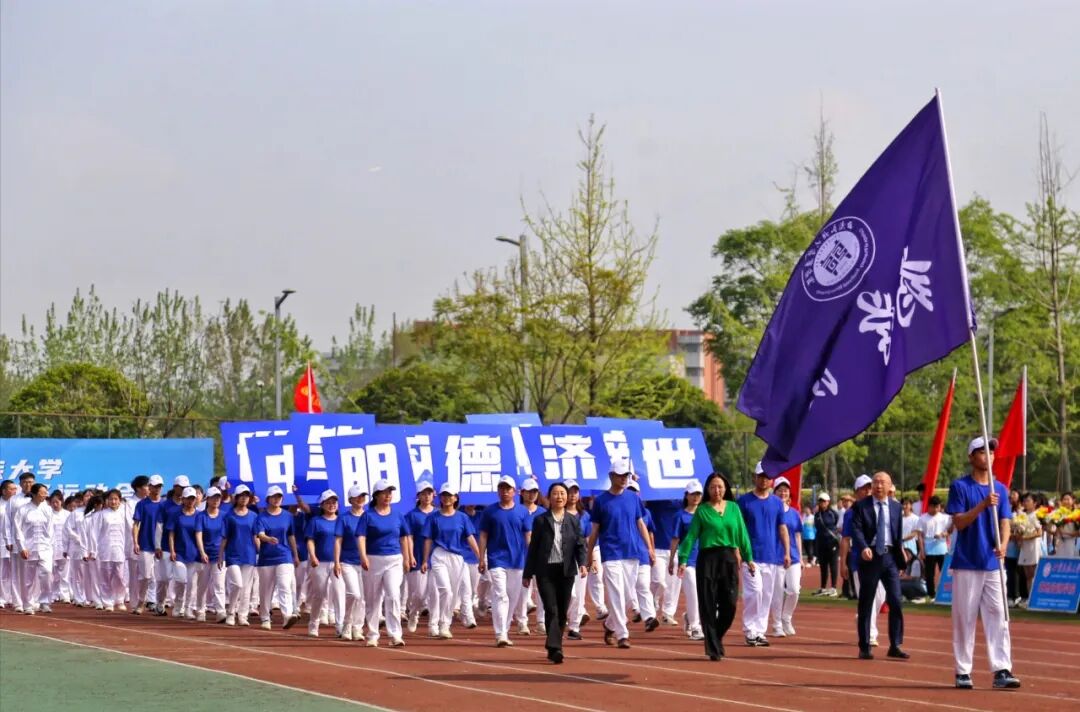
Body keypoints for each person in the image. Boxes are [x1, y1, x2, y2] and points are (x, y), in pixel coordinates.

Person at [946, 436, 1020, 690]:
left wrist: (1004, 544)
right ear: (971, 457)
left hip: (993, 563)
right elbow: (959, 522)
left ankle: (1002, 669)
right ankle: (963, 671)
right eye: (981, 451)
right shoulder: (960, 487)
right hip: (967, 561)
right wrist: (983, 505)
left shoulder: (1000, 488)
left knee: (999, 615)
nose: (988, 455)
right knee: (964, 617)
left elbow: (1005, 521)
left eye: (991, 451)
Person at [677, 473, 753, 661]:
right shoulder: (702, 511)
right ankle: (713, 648)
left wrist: (749, 558)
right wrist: (683, 559)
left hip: (728, 559)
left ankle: (714, 637)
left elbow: (742, 534)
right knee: (708, 603)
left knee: (730, 604)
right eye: (712, 487)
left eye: (719, 486)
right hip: (708, 559)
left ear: (725, 488)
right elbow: (691, 536)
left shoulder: (734, 508)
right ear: (707, 490)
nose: (716, 490)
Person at [587, 458, 655, 649]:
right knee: (616, 593)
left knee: (627, 596)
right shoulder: (601, 501)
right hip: (611, 553)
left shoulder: (633, 498)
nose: (624, 478)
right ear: (611, 476)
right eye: (620, 475)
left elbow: (641, 524)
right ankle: (622, 634)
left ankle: (609, 625)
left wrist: (649, 548)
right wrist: (589, 554)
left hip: (632, 552)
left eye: (626, 475)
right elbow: (595, 531)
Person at [523, 482, 588, 664]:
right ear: (549, 497)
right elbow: (533, 548)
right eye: (555, 493)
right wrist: (527, 573)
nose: (559, 497)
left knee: (562, 611)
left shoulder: (573, 520)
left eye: (562, 493)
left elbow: (580, 545)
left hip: (566, 571)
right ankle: (555, 647)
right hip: (545, 571)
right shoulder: (541, 520)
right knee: (551, 608)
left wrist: (583, 564)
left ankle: (554, 646)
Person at [850, 472, 907, 660]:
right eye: (875, 482)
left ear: (890, 486)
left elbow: (897, 533)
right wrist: (864, 547)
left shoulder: (896, 507)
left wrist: (901, 553)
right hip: (870, 556)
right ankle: (864, 646)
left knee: (896, 600)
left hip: (890, 558)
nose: (878, 486)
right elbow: (856, 530)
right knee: (866, 602)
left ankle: (895, 645)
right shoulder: (861, 506)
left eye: (882, 483)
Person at [736, 462, 790, 647]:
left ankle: (760, 631)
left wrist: (787, 552)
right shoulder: (744, 501)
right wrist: (738, 551)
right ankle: (750, 630)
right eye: (760, 476)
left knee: (767, 595)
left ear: (771, 479)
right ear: (754, 477)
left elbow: (782, 528)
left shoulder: (777, 503)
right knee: (755, 591)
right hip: (750, 556)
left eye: (767, 477)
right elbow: (737, 529)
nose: (764, 480)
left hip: (771, 556)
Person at [478, 475, 533, 647]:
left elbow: (528, 536)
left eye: (508, 488)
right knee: (500, 594)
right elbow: (483, 535)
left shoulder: (523, 512)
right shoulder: (490, 511)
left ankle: (505, 629)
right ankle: (500, 633)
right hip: (496, 559)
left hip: (517, 561)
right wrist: (481, 557)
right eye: (501, 488)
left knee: (512, 597)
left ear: (514, 491)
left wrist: (532, 559)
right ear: (498, 491)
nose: (505, 491)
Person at [421, 483, 481, 639]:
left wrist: (480, 557)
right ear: (440, 498)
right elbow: (428, 539)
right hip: (439, 555)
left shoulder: (462, 517)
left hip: (457, 557)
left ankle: (445, 625)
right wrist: (425, 560)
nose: (447, 498)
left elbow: (470, 538)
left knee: (453, 594)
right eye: (444, 495)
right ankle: (441, 624)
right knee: (445, 590)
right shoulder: (433, 517)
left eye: (450, 495)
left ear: (455, 498)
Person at [359, 478, 410, 648]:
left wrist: (407, 558)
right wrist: (363, 556)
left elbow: (404, 537)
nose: (388, 496)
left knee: (393, 595)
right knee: (373, 598)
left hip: (394, 559)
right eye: (384, 493)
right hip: (373, 559)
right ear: (376, 495)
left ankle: (395, 634)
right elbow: (361, 537)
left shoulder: (398, 515)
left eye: (390, 492)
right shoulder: (368, 516)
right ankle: (373, 634)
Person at [254, 484, 300, 630]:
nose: (276, 499)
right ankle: (265, 618)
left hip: (284, 556)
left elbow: (291, 536)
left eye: (279, 497)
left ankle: (287, 615)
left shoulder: (287, 516)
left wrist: (295, 555)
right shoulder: (261, 517)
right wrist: (268, 539)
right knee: (266, 590)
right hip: (266, 558)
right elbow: (260, 534)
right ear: (268, 499)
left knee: (284, 585)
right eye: (273, 497)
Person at [667, 479, 706, 641]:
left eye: (698, 494)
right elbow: (675, 539)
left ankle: (689, 617)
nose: (696, 497)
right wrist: (671, 560)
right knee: (693, 593)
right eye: (692, 494)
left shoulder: (706, 513)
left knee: (703, 594)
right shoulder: (680, 516)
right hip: (687, 560)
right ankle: (696, 627)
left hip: (704, 559)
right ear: (686, 495)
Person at [308, 489, 345, 638]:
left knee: (339, 592)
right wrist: (313, 556)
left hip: (338, 563)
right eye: (328, 503)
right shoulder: (316, 521)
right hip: (320, 562)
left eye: (334, 502)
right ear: (322, 505)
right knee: (319, 595)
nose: (332, 505)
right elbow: (310, 540)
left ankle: (340, 625)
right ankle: (313, 623)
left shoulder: (342, 520)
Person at [13, 483, 54, 614]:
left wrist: (49, 545)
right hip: (28, 548)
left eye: (46, 492)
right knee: (28, 579)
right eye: (43, 493)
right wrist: (22, 547)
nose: (45, 495)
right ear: (35, 494)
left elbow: (50, 530)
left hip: (45, 548)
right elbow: (17, 529)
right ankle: (28, 605)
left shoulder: (47, 510)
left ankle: (44, 602)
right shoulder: (23, 510)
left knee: (47, 573)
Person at [220, 484, 258, 627]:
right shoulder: (229, 516)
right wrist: (220, 555)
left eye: (246, 496)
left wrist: (261, 552)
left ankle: (242, 615)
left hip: (249, 554)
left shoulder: (253, 516)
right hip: (233, 555)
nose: (244, 498)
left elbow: (256, 536)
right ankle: (231, 612)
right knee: (237, 584)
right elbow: (224, 537)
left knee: (246, 588)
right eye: (241, 496)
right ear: (235, 498)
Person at [770, 476, 802, 637]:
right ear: (774, 492)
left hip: (793, 556)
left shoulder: (794, 513)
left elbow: (797, 535)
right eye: (780, 490)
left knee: (794, 590)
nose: (783, 493)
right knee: (777, 592)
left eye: (786, 490)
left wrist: (801, 557)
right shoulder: (771, 511)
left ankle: (786, 617)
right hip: (776, 556)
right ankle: (777, 624)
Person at [88, 489, 129, 612]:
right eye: (111, 499)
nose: (113, 501)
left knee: (120, 577)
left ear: (120, 501)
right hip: (105, 550)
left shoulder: (124, 514)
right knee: (106, 577)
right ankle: (108, 602)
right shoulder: (101, 515)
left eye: (116, 499)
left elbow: (129, 531)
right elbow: (94, 533)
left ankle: (120, 600)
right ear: (106, 501)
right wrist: (93, 550)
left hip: (120, 550)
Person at [626, 479, 659, 629]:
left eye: (634, 492)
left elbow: (650, 532)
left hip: (642, 554)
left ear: (639, 494)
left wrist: (651, 550)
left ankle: (649, 617)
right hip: (625, 555)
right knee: (626, 591)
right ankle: (615, 621)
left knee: (643, 585)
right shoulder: (621, 510)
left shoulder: (647, 513)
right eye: (629, 491)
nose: (632, 494)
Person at [132, 475, 167, 615]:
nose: (157, 489)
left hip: (162, 546)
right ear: (150, 487)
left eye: (159, 486)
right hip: (145, 544)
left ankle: (159, 603)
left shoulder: (165, 505)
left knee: (162, 577)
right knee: (146, 576)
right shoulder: (142, 504)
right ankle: (141, 601)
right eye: (155, 486)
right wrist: (135, 542)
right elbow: (136, 524)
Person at [404, 480, 436, 633]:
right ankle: (413, 613)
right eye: (423, 494)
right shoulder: (412, 516)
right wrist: (410, 555)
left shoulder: (438, 513)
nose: (427, 496)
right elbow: (408, 537)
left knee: (436, 592)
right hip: (418, 556)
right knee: (419, 593)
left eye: (429, 493)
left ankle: (434, 624)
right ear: (418, 496)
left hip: (436, 557)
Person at [166, 487, 201, 618]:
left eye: (193, 498)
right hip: (179, 553)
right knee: (181, 580)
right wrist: (172, 550)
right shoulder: (176, 515)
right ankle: (178, 604)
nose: (191, 501)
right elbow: (171, 534)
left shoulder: (199, 515)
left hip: (194, 553)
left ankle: (188, 609)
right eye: (188, 498)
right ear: (183, 499)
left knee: (191, 583)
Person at [194, 486, 227, 622]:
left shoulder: (224, 516)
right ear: (207, 499)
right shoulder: (201, 516)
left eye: (218, 498)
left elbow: (226, 537)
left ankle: (221, 611)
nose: (216, 500)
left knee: (219, 585)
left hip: (219, 556)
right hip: (204, 556)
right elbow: (198, 535)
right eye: (213, 498)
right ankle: (200, 610)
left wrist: (222, 554)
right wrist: (202, 552)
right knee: (202, 585)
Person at [917, 496, 951, 600]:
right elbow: (920, 535)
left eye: (938, 507)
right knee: (929, 573)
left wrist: (943, 534)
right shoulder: (923, 518)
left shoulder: (945, 517)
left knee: (944, 571)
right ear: (929, 506)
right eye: (933, 507)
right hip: (929, 548)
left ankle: (947, 593)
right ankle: (931, 594)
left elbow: (950, 529)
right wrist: (922, 550)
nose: (936, 509)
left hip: (942, 548)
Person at [1016, 492, 1042, 607]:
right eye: (1024, 501)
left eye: (1028, 501)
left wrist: (1026, 537)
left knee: (1033, 574)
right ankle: (1030, 599)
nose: (1025, 503)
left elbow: (1039, 533)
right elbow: (1020, 531)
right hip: (1025, 547)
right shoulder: (1022, 516)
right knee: (1027, 575)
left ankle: (1036, 599)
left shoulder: (1036, 515)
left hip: (1033, 547)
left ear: (1035, 503)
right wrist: (1019, 536)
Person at [813, 493, 840, 596]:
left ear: (828, 502)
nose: (822, 503)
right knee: (823, 566)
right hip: (821, 543)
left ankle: (833, 588)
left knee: (833, 565)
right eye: (820, 501)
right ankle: (823, 588)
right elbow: (817, 527)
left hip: (832, 543)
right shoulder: (817, 515)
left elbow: (837, 525)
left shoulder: (833, 513)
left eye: (824, 501)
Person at [1053, 492, 1078, 558]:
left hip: (1071, 542)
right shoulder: (1058, 513)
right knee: (1059, 561)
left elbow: (1078, 533)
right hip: (1060, 542)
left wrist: (1066, 533)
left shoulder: (1077, 514)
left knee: (1069, 561)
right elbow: (1056, 530)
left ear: (1073, 500)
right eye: (1064, 499)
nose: (1066, 501)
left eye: (1068, 499)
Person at [900, 498, 921, 571]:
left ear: (911, 505)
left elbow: (915, 533)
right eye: (903, 504)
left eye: (906, 504)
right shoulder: (899, 517)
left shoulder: (916, 518)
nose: (904, 506)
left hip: (910, 545)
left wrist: (903, 539)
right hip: (900, 545)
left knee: (910, 566)